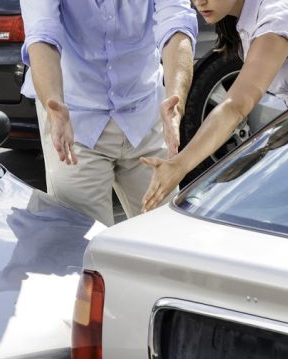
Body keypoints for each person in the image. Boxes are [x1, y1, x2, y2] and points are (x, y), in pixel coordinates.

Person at [140, 0, 288, 210]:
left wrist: (179, 165)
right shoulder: (257, 14)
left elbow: (236, 105)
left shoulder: (278, 21)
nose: (199, 2)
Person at [20, 0, 197, 226]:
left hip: (144, 114)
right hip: (74, 123)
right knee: (84, 249)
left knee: (166, 234)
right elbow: (42, 35)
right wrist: (54, 104)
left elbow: (177, 24)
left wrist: (176, 103)